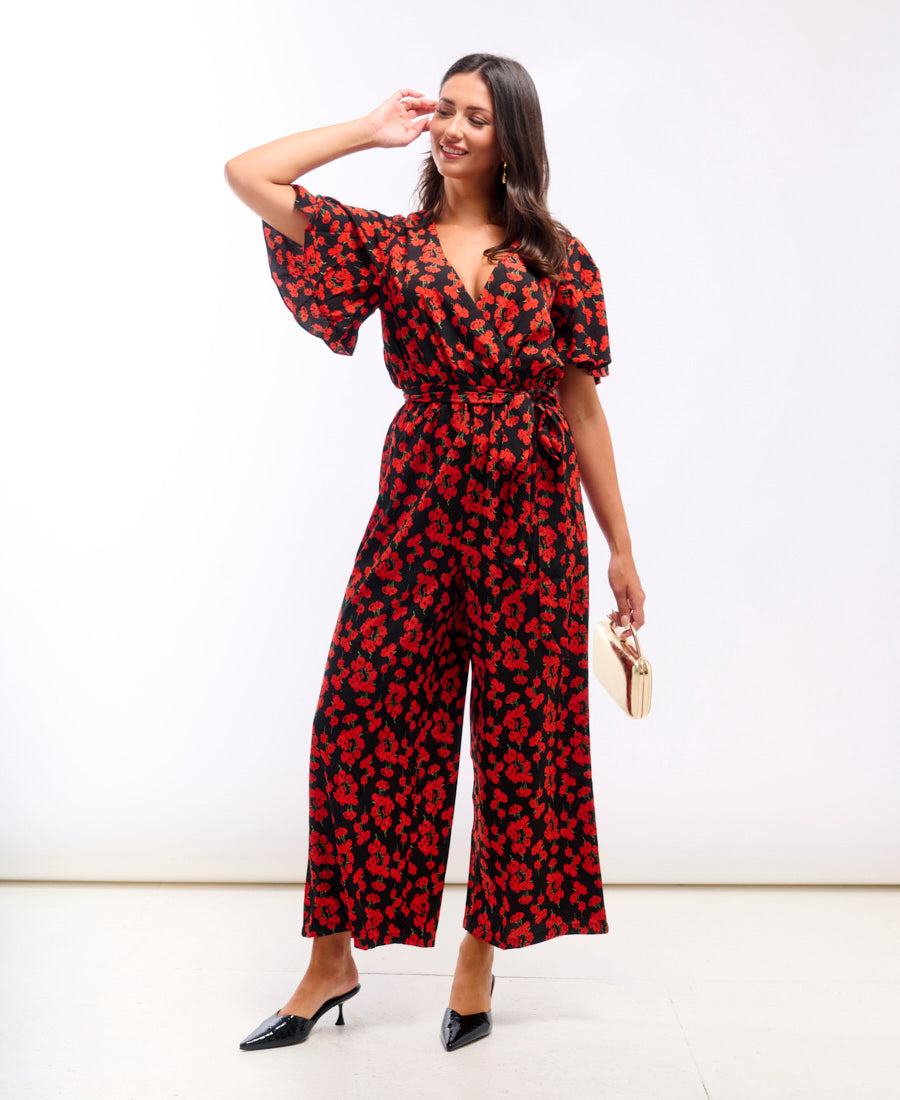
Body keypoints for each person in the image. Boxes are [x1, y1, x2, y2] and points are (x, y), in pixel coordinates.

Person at [224, 52, 646, 1054]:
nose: (452, 129)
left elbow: (583, 407)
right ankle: (331, 958)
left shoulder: (559, 259)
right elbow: (250, 174)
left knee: (521, 738)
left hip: (534, 519)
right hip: (418, 507)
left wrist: (622, 548)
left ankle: (478, 958)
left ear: (513, 139)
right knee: (358, 714)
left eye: (476, 117)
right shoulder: (386, 246)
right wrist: (369, 129)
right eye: (444, 110)